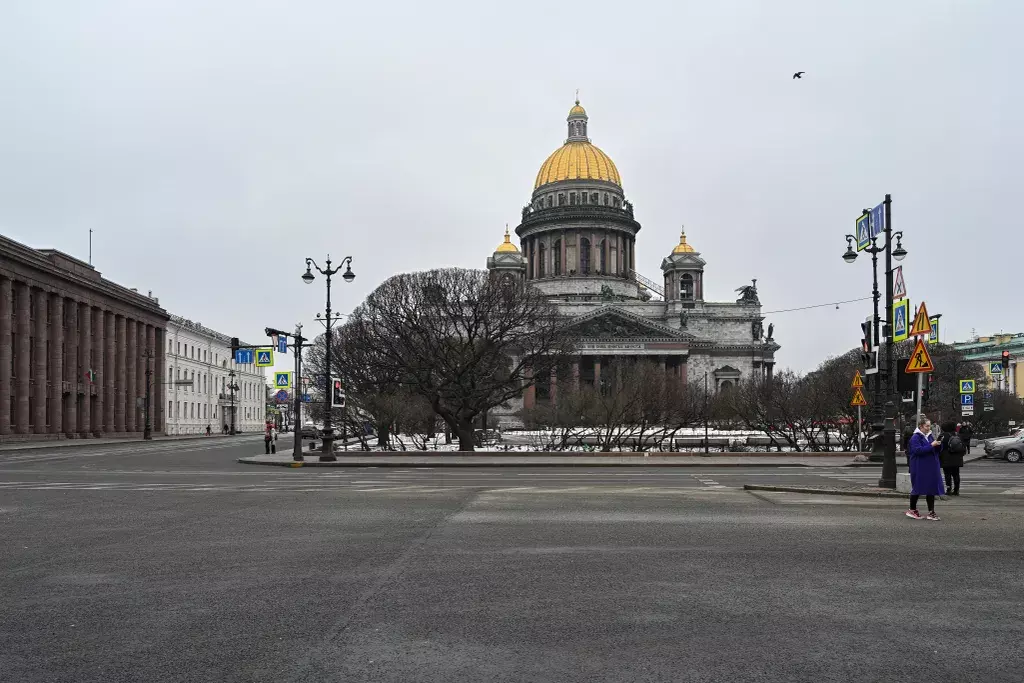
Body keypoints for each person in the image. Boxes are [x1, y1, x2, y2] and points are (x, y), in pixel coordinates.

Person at [906, 415, 944, 520]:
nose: (929, 428)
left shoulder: (929, 436)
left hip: (929, 466)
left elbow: (934, 450)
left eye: (929, 426)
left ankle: (931, 512)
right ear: (921, 426)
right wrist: (932, 445)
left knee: (930, 488)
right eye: (927, 426)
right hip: (919, 467)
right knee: (918, 487)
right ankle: (912, 509)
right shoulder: (915, 437)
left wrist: (938, 445)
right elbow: (917, 451)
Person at [940, 420, 966, 495]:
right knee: (956, 474)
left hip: (946, 458)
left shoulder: (943, 436)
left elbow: (938, 446)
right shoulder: (958, 435)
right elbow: (963, 447)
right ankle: (956, 490)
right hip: (957, 458)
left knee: (947, 474)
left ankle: (948, 489)